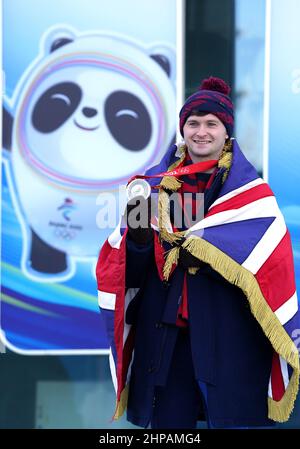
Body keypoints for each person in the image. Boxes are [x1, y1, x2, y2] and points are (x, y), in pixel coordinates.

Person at [96, 77, 299, 429]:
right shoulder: (155, 187)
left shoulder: (252, 197)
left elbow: (271, 270)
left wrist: (207, 254)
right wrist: (139, 240)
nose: (201, 132)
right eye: (193, 123)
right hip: (166, 345)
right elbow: (131, 275)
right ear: (182, 129)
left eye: (211, 124)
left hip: (231, 342)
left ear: (226, 133)